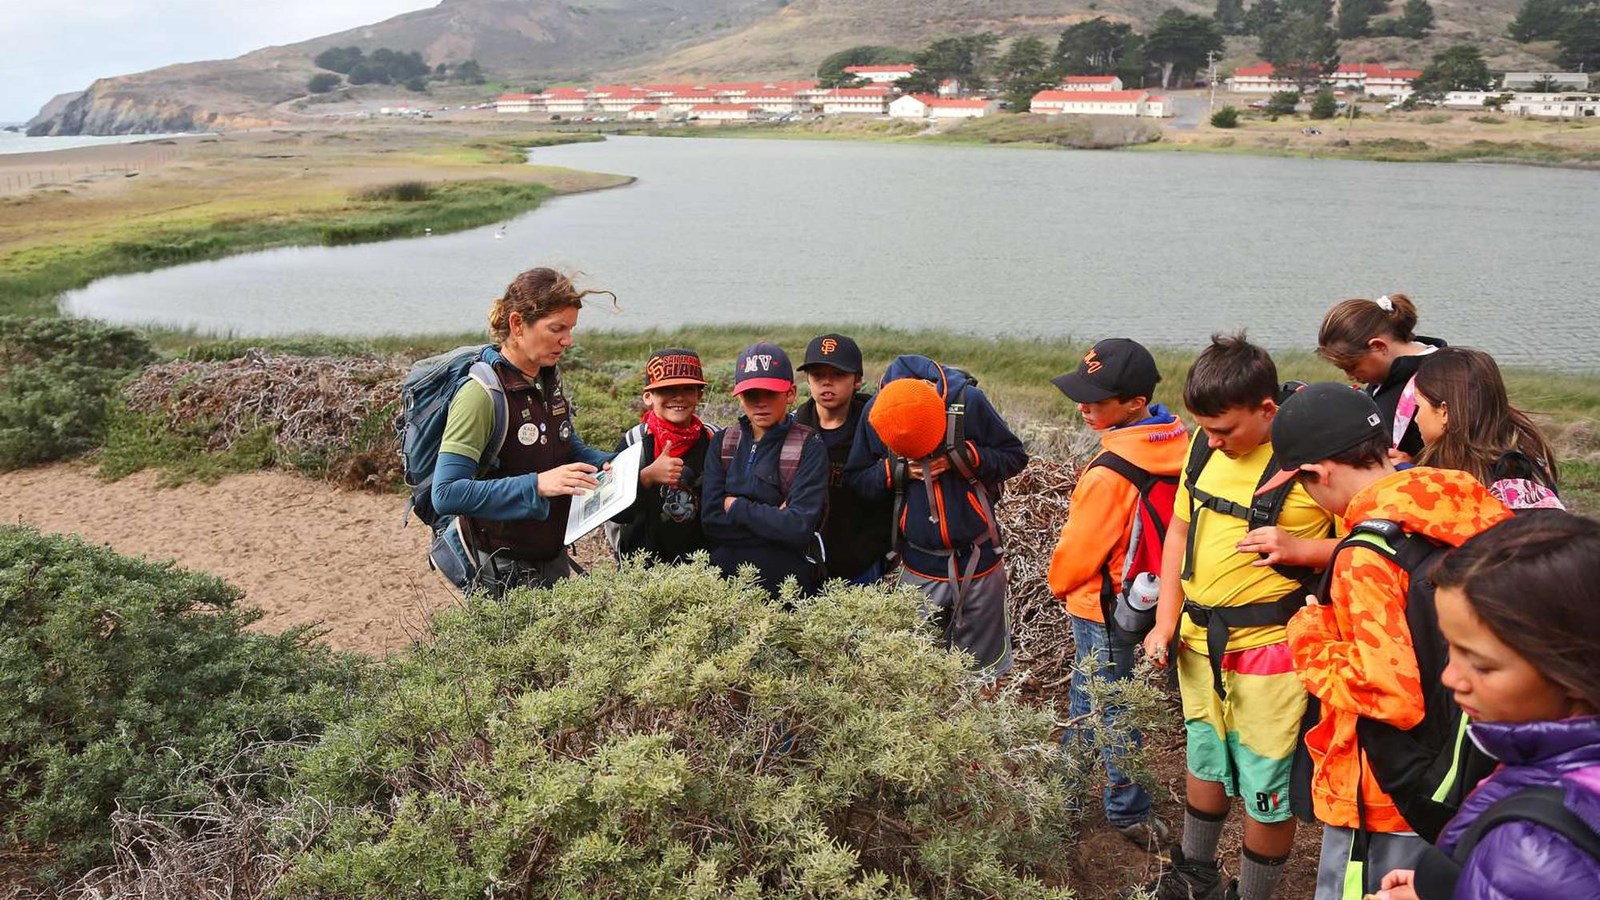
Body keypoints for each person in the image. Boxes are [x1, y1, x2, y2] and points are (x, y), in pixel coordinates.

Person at [1255, 383, 1511, 900]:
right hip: (1477, 768)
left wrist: (1308, 633)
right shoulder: (1465, 508)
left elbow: (1388, 692)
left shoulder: (1369, 554)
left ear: (1318, 474)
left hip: (1387, 794)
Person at [1138, 334, 1339, 900]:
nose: (1213, 440)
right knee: (1203, 755)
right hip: (1198, 643)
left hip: (1272, 650)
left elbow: (1360, 548)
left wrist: (1303, 550)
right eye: (1204, 427)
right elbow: (1180, 530)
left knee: (1265, 779)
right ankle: (1194, 875)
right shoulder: (1202, 452)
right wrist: (1165, 620)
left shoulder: (1309, 463)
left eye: (1225, 429)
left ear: (1267, 409)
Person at [1375, 513, 1600, 900]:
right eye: (1451, 649)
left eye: (1480, 664)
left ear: (1576, 667)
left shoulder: (1532, 849)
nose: (1450, 679)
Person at [1047, 338, 1188, 847]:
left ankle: (1123, 809)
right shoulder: (1181, 444)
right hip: (1152, 599)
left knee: (1105, 706)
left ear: (1133, 403)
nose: (1083, 407)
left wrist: (1057, 586)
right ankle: (1063, 795)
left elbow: (1077, 553)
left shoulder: (1110, 472)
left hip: (1099, 606)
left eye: (1096, 399)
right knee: (1101, 700)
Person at [430, 267, 616, 595]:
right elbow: (446, 493)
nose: (568, 341)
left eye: (571, 329)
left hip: (550, 559)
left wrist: (617, 467)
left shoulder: (547, 380)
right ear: (518, 325)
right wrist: (538, 484)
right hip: (501, 569)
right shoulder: (481, 395)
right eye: (557, 329)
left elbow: (565, 445)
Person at [846, 355, 1028, 676]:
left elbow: (1014, 457)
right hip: (918, 565)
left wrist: (964, 458)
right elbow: (858, 480)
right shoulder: (880, 414)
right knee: (914, 670)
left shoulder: (967, 402)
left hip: (979, 562)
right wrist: (896, 470)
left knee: (981, 673)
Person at [701, 341, 829, 596]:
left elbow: (798, 528)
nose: (760, 403)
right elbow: (711, 522)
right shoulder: (723, 443)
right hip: (725, 590)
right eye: (751, 394)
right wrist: (774, 518)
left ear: (790, 394)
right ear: (739, 397)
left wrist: (735, 506)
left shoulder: (810, 446)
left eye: (770, 393)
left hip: (789, 591)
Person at [793, 333, 894, 584]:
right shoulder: (793, 428)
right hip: (807, 561)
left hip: (864, 563)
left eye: (838, 375)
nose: (827, 384)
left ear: (857, 380)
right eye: (818, 376)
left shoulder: (878, 426)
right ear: (807, 380)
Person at [1412, 347, 1563, 510]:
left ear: (1444, 411)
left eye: (1418, 406)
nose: (1416, 418)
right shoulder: (1532, 463)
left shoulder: (1436, 485)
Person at [608, 348, 717, 564]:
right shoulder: (634, 442)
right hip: (642, 568)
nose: (678, 397)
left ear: (699, 395)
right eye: (667, 389)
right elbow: (614, 512)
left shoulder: (713, 438)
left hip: (703, 569)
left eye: (688, 389)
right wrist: (645, 478)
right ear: (648, 396)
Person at [1316, 293, 1445, 461]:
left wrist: (1414, 466)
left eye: (1352, 367)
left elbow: (1470, 454)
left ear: (1378, 346)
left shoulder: (1445, 378)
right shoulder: (1383, 378)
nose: (1350, 377)